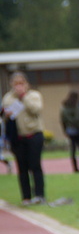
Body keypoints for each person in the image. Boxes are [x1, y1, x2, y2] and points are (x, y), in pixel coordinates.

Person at [1, 72, 46, 205]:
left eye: (21, 83)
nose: (18, 86)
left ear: (26, 84)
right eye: (16, 84)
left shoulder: (34, 95)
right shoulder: (8, 98)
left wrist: (24, 97)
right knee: (22, 167)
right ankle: (26, 197)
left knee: (35, 165)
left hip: (34, 134)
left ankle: (39, 195)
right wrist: (7, 114)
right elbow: (4, 115)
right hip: (18, 137)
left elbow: (36, 110)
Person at [60, 90, 79, 172]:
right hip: (77, 129)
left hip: (69, 129)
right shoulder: (77, 106)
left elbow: (63, 120)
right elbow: (78, 119)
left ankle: (75, 168)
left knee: (73, 149)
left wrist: (65, 130)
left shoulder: (64, 107)